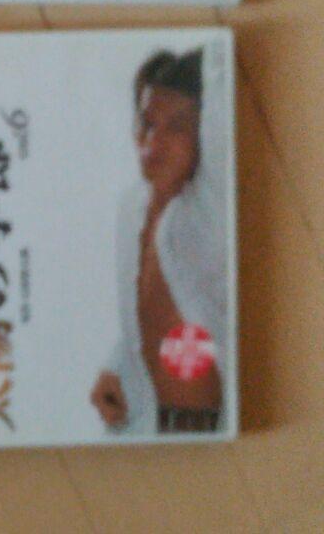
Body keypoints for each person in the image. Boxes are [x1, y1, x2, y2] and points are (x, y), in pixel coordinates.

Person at [90, 49, 228, 435]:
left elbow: (221, 68)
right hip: (148, 428)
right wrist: (118, 370)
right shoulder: (131, 207)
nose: (154, 141)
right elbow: (150, 317)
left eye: (177, 127)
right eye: (148, 123)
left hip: (216, 431)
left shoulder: (211, 209)